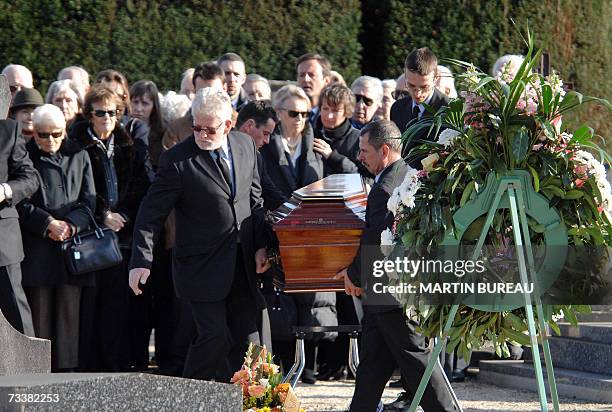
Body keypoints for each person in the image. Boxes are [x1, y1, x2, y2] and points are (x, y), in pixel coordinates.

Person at [128, 88, 270, 382]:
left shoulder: (245, 146)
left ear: (228, 125)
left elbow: (255, 202)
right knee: (214, 336)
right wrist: (141, 260)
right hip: (200, 268)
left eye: (210, 128)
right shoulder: (177, 161)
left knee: (252, 343)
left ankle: (253, 401)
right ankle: (190, 397)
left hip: (242, 264)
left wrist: (261, 247)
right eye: (196, 127)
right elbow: (150, 213)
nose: (202, 134)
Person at [335, 120, 457, 412]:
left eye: (365, 151)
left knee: (418, 364)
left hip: (392, 295)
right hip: (387, 295)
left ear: (385, 150)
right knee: (371, 372)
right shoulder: (408, 174)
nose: (360, 156)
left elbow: (375, 241)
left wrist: (352, 274)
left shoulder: (385, 188)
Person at [69, 85, 150, 372]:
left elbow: (142, 185)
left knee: (117, 307)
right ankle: (88, 367)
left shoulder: (129, 144)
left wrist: (123, 214)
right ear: (89, 114)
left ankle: (115, 367)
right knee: (90, 307)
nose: (107, 117)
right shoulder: (75, 144)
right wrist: (103, 215)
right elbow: (74, 190)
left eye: (113, 112)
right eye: (100, 112)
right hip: (90, 236)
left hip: (123, 237)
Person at [260, 85, 334, 384]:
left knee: (312, 300)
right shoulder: (266, 147)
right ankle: (284, 364)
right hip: (278, 230)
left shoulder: (316, 144)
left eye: (305, 113)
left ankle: (309, 365)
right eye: (293, 113)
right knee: (282, 300)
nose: (300, 119)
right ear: (278, 114)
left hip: (311, 233)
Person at [17, 104, 96, 371]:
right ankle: (38, 370)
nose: (50, 140)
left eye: (56, 134)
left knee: (68, 313)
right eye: (43, 134)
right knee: (39, 311)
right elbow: (19, 202)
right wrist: (47, 223)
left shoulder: (79, 155)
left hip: (70, 245)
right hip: (37, 244)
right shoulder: (24, 157)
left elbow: (89, 201)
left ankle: (67, 370)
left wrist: (71, 226)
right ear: (33, 133)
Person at [0, 116, 38, 337]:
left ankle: (31, 369)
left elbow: (30, 178)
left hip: (2, 240)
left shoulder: (8, 130)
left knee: (15, 308)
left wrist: (5, 190)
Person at [390, 47, 450, 165]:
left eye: (424, 87)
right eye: (411, 85)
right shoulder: (397, 108)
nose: (417, 93)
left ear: (436, 78)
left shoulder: (449, 109)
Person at [162, 62, 225, 151]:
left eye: (213, 91)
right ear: (195, 91)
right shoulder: (177, 129)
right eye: (201, 92)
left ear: (224, 88)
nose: (207, 97)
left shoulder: (239, 123)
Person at [130, 80, 164, 169]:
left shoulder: (163, 133)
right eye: (135, 102)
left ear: (154, 106)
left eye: (145, 103)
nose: (139, 109)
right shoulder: (121, 129)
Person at [296, 53, 332, 128]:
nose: (306, 79)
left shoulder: (333, 116)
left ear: (326, 81)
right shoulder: (286, 113)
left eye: (312, 75)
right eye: (302, 75)